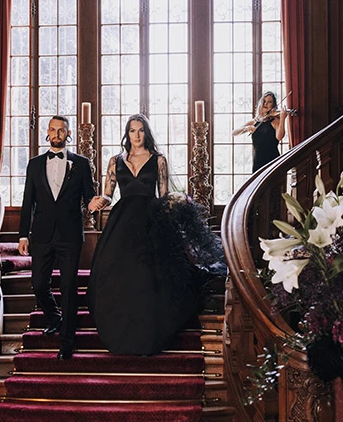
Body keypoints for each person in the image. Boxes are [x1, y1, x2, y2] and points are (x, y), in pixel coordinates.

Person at [87, 114, 223, 356]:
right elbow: (108, 193)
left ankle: (148, 333)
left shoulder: (158, 160)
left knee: (148, 276)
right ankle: (119, 332)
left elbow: (163, 194)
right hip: (122, 222)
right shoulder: (115, 160)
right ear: (127, 133)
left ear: (146, 133)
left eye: (140, 130)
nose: (136, 135)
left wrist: (176, 209)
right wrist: (99, 200)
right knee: (117, 276)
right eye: (132, 131)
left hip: (151, 220)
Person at [16, 115, 97, 360]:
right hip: (41, 234)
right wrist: (22, 235)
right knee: (39, 284)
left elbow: (89, 198)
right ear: (47, 133)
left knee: (69, 287)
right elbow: (27, 201)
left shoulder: (82, 164)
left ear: (68, 133)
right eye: (53, 129)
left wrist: (99, 202)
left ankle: (67, 342)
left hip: (70, 235)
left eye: (61, 130)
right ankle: (54, 318)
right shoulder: (34, 164)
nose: (57, 134)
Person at [233, 91, 290, 172]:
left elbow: (279, 137)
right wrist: (246, 128)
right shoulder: (254, 122)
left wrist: (282, 119)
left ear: (273, 105)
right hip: (257, 162)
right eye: (264, 101)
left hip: (272, 161)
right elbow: (234, 133)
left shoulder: (275, 120)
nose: (265, 103)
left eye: (269, 102)